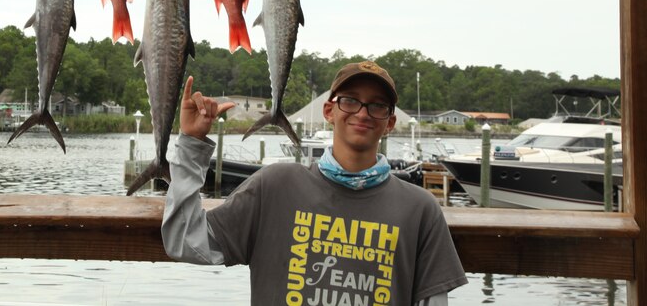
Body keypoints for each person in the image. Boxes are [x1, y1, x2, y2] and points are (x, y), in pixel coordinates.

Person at [162, 60, 467, 305]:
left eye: (377, 105)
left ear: (390, 122)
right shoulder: (275, 186)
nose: (363, 113)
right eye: (350, 101)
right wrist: (192, 143)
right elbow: (185, 240)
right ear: (329, 111)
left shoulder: (420, 209)